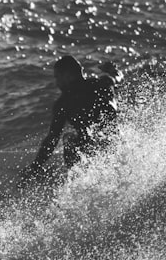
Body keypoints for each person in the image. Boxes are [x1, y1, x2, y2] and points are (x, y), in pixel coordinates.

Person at [19, 56, 122, 186]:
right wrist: (113, 71)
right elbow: (117, 77)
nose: (57, 83)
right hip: (116, 143)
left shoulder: (64, 102)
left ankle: (75, 183)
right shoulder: (103, 83)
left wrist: (35, 167)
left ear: (67, 75)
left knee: (68, 139)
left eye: (57, 77)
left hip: (94, 149)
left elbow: (53, 138)